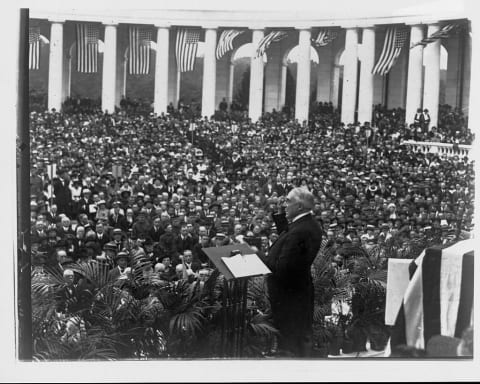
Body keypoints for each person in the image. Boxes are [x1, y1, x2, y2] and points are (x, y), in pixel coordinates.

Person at [265, 187, 323, 357]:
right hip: (296, 294)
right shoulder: (305, 224)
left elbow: (284, 267)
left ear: (299, 207)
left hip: (290, 298)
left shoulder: (301, 231)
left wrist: (256, 254)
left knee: (290, 345)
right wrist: (279, 213)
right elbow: (287, 234)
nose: (284, 204)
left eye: (288, 201)